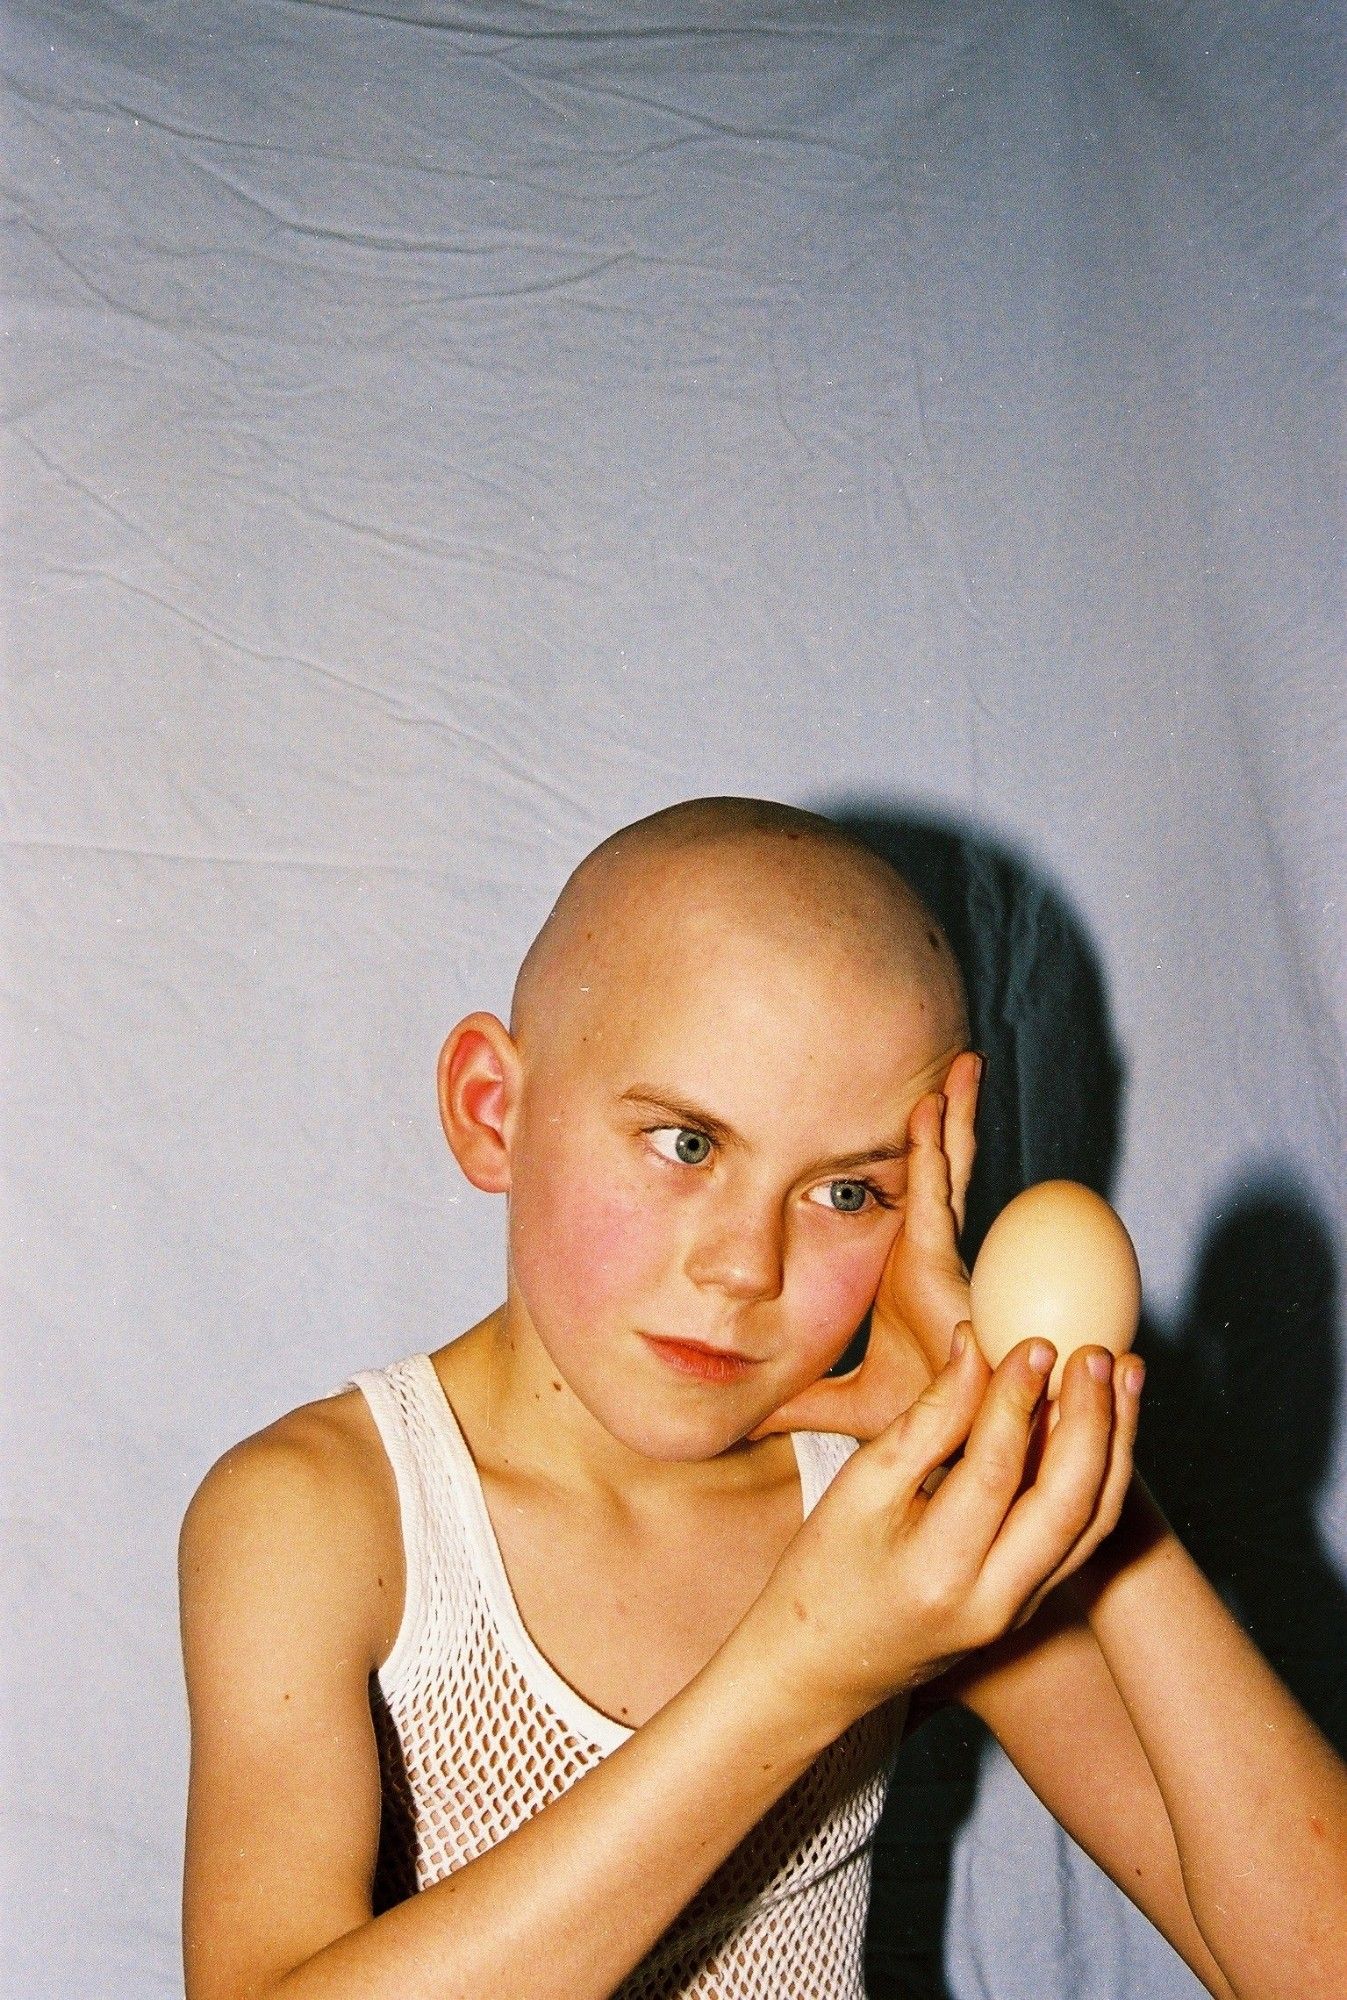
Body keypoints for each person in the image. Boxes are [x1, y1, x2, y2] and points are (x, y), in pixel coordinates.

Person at [178, 796, 1347, 2000]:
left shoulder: (893, 1518)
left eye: (847, 1192)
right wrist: (800, 1675)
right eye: (686, 1143)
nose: (746, 1265)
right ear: (494, 1108)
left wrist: (1060, 1459)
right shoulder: (324, 1514)